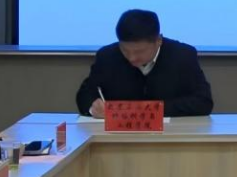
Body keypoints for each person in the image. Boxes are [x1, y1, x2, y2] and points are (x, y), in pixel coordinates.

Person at [75, 9, 214, 118]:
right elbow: (85, 95)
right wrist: (93, 107)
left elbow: (203, 102)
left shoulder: (183, 56)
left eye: (139, 51)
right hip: (117, 136)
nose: (132, 58)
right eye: (125, 50)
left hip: (171, 134)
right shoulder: (107, 56)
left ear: (158, 41)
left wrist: (147, 110)